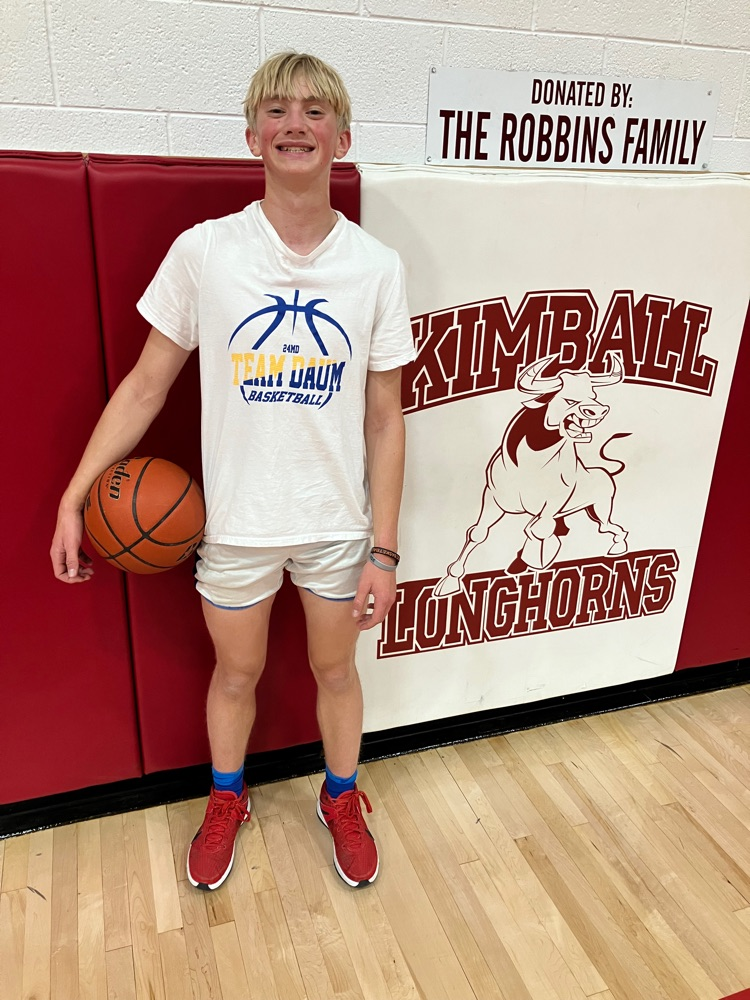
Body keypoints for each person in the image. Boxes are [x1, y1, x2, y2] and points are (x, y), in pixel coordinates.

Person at [50, 51, 415, 890]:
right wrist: (75, 497)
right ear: (252, 136)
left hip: (335, 524)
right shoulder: (206, 251)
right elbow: (145, 385)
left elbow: (385, 417)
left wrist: (385, 549)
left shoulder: (376, 266)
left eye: (315, 111)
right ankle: (227, 798)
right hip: (236, 524)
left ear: (342, 137)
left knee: (336, 672)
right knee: (237, 674)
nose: (296, 125)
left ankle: (341, 796)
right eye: (277, 111)